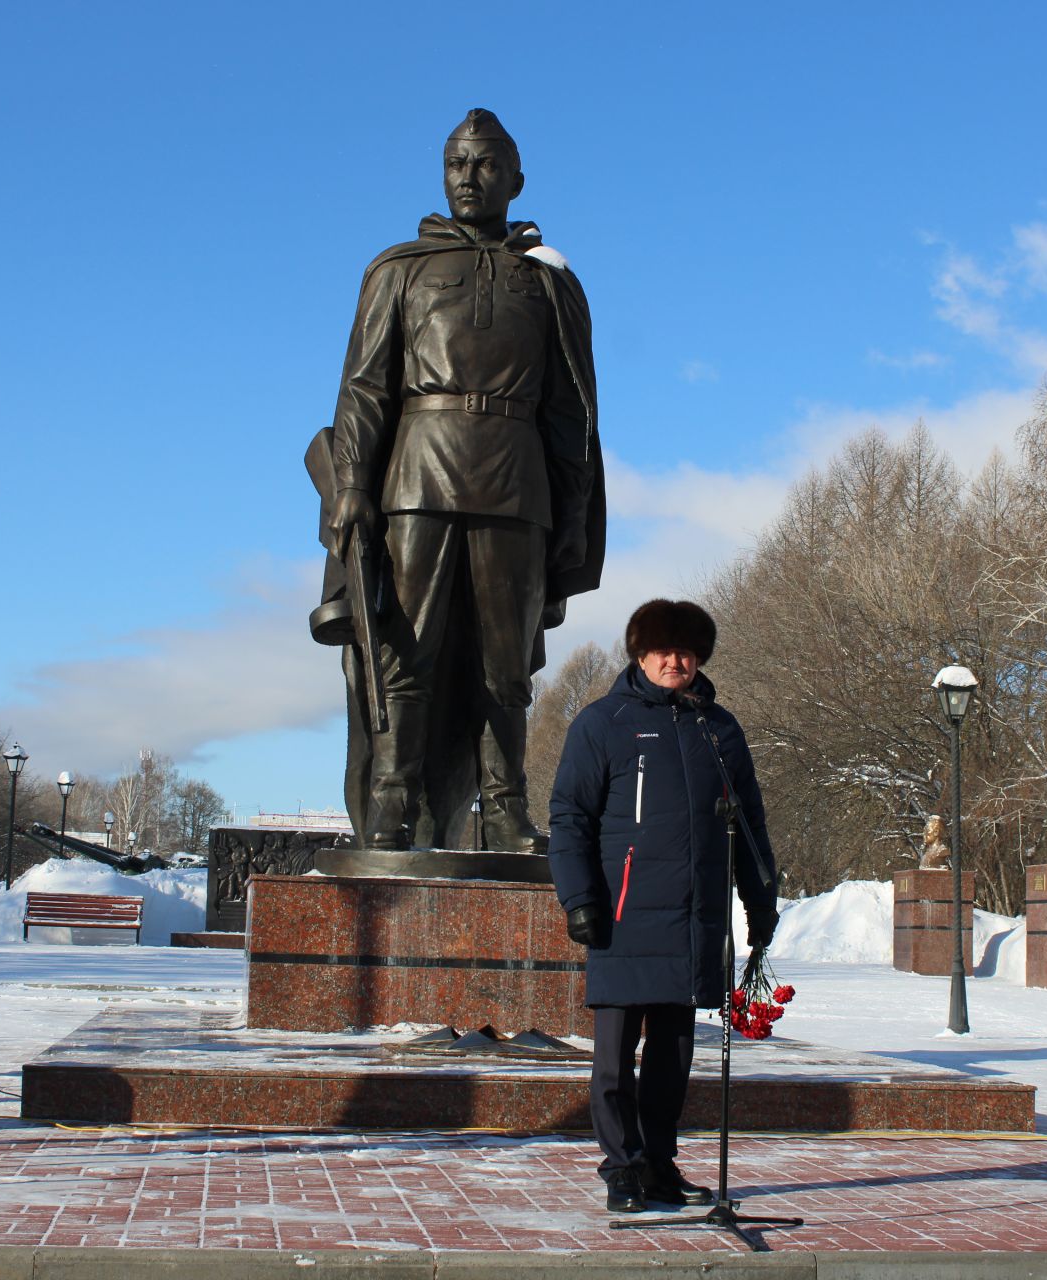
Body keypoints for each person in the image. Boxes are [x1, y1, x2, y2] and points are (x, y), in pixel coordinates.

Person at [320, 107, 605, 854]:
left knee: (503, 658)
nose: (469, 177)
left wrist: (572, 515)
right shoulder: (399, 269)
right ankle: (391, 799)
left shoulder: (547, 284)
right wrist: (353, 483)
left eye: (484, 164)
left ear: (515, 178)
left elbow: (571, 410)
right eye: (456, 163)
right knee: (406, 647)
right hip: (419, 473)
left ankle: (505, 807)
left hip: (516, 481)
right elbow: (364, 388)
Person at [548, 600, 778, 1214]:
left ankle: (658, 1164)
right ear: (640, 655)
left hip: (694, 918)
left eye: (685, 651)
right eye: (663, 651)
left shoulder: (719, 729)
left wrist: (761, 901)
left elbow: (748, 823)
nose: (675, 661)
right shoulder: (603, 723)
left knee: (674, 1059)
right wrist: (579, 899)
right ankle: (621, 1166)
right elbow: (570, 817)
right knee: (615, 1061)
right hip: (623, 916)